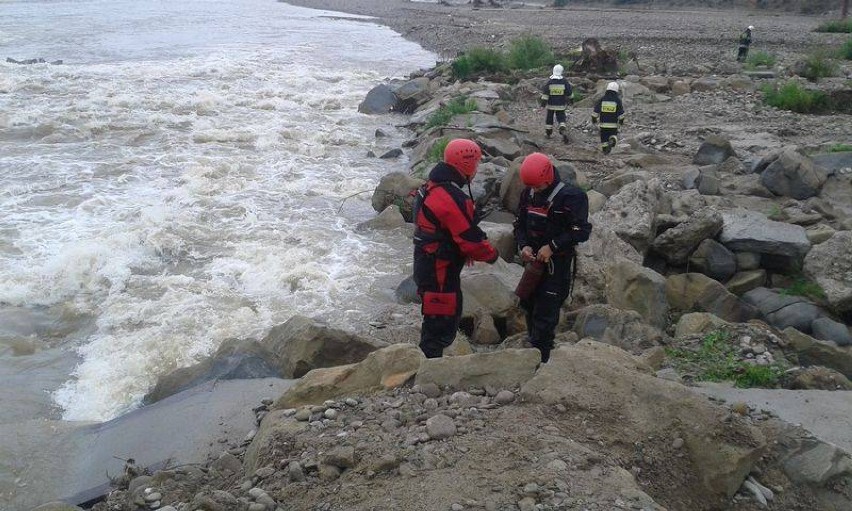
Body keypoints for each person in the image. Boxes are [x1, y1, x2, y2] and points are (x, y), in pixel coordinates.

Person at [413, 138, 500, 358]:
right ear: (466, 163)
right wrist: (492, 255)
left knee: (442, 313)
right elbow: (469, 239)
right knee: (441, 318)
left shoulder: (432, 186)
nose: (478, 167)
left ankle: (430, 359)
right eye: (476, 163)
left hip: (429, 262)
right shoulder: (450, 196)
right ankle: (429, 369)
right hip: (438, 267)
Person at [513, 152, 592, 363]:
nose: (534, 191)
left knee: (546, 312)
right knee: (528, 304)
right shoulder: (528, 193)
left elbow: (581, 231)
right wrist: (524, 245)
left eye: (538, 187)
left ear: (547, 179)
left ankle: (543, 357)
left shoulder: (572, 197)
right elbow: (519, 225)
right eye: (531, 187)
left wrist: (553, 246)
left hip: (557, 264)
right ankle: (533, 347)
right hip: (533, 263)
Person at [539, 64, 573, 141]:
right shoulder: (564, 82)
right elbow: (569, 93)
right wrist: (571, 101)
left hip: (551, 105)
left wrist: (542, 105)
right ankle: (562, 126)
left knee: (549, 119)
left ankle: (548, 133)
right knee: (561, 117)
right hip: (561, 105)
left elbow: (545, 95)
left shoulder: (550, 82)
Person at [591, 81, 625, 155]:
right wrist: (621, 122)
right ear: (616, 90)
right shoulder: (617, 100)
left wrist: (594, 120)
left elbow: (595, 112)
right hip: (613, 125)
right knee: (613, 135)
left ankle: (605, 151)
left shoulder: (603, 99)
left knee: (604, 138)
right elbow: (621, 114)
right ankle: (612, 140)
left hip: (603, 124)